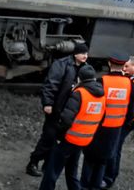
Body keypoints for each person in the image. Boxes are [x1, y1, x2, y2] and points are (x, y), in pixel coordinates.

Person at [22, 64, 103, 190]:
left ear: (79, 79)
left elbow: (66, 119)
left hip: (68, 141)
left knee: (50, 176)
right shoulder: (102, 95)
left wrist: (58, 137)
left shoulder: (79, 94)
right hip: (82, 141)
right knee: (72, 176)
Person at [26, 42, 89, 176]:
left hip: (70, 110)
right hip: (57, 108)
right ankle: (33, 162)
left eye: (86, 53)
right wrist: (48, 103)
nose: (85, 56)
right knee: (48, 137)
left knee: (59, 139)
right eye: (82, 53)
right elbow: (51, 84)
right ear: (75, 53)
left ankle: (47, 165)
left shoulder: (85, 68)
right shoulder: (61, 64)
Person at [80, 54, 133, 190]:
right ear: (123, 66)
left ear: (109, 64)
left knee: (89, 160)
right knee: (102, 162)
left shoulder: (102, 81)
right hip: (115, 129)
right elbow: (132, 110)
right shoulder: (130, 84)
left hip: (98, 127)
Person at [101, 55, 134, 190]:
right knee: (113, 148)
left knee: (114, 149)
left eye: (127, 67)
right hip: (122, 120)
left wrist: (124, 120)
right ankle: (106, 176)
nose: (124, 69)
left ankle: (108, 178)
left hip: (126, 122)